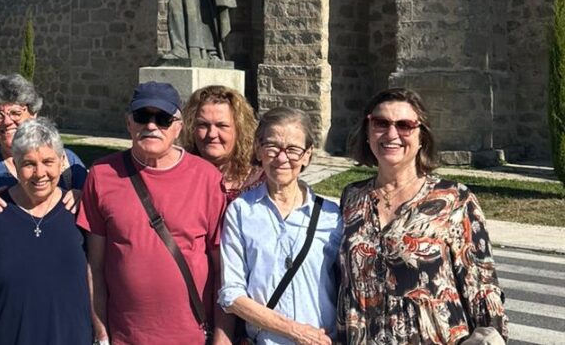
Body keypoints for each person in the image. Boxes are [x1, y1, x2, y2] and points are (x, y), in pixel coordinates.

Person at [337, 88, 508, 344]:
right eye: (381, 123)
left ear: (421, 138)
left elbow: (482, 286)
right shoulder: (352, 197)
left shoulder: (453, 199)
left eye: (405, 125)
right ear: (367, 131)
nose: (391, 134)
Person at [77, 81, 229, 345]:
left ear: (178, 127)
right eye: (142, 117)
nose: (151, 126)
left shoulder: (207, 179)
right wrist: (101, 333)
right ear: (129, 123)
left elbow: (223, 270)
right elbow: (96, 266)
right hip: (126, 337)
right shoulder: (102, 175)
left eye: (162, 119)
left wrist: (222, 338)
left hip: (192, 337)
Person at [0, 119, 93, 345]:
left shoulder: (79, 213)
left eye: (48, 161)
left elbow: (99, 282)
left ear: (61, 162)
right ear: (15, 165)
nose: (40, 173)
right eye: (29, 163)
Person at [217, 107, 341, 345]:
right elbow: (232, 294)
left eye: (293, 149)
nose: (282, 158)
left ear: (307, 155)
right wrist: (294, 331)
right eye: (272, 147)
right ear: (258, 149)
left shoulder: (331, 215)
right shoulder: (242, 211)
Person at [0, 74, 88, 259]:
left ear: (34, 114)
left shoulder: (67, 163)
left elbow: (99, 230)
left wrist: (84, 200)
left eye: (16, 113)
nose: (7, 121)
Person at [181, 85, 264, 202]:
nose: (211, 134)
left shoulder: (262, 179)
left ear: (240, 129)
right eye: (203, 125)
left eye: (222, 126)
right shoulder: (179, 176)